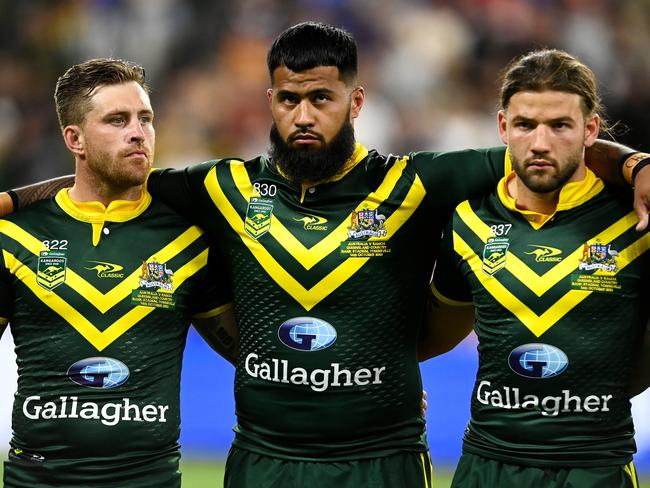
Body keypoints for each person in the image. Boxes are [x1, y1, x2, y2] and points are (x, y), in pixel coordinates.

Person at [2, 22, 650, 487]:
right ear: (270, 104)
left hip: (384, 459)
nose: (304, 115)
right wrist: (10, 202)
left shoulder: (413, 182)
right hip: (263, 458)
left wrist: (636, 165)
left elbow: (548, 147)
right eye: (289, 100)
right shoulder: (227, 188)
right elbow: (115, 176)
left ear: (356, 101)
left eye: (322, 98)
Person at [0, 58, 237, 487]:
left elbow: (247, 352)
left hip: (148, 480)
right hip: (36, 479)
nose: (137, 132)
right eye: (117, 120)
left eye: (145, 119)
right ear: (75, 138)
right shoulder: (16, 237)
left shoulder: (187, 240)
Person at [424, 49, 649, 488]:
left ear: (590, 130)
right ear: (504, 126)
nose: (540, 143)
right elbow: (435, 332)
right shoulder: (468, 220)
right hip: (487, 468)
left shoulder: (636, 220)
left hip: (596, 467)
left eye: (560, 126)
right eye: (526, 125)